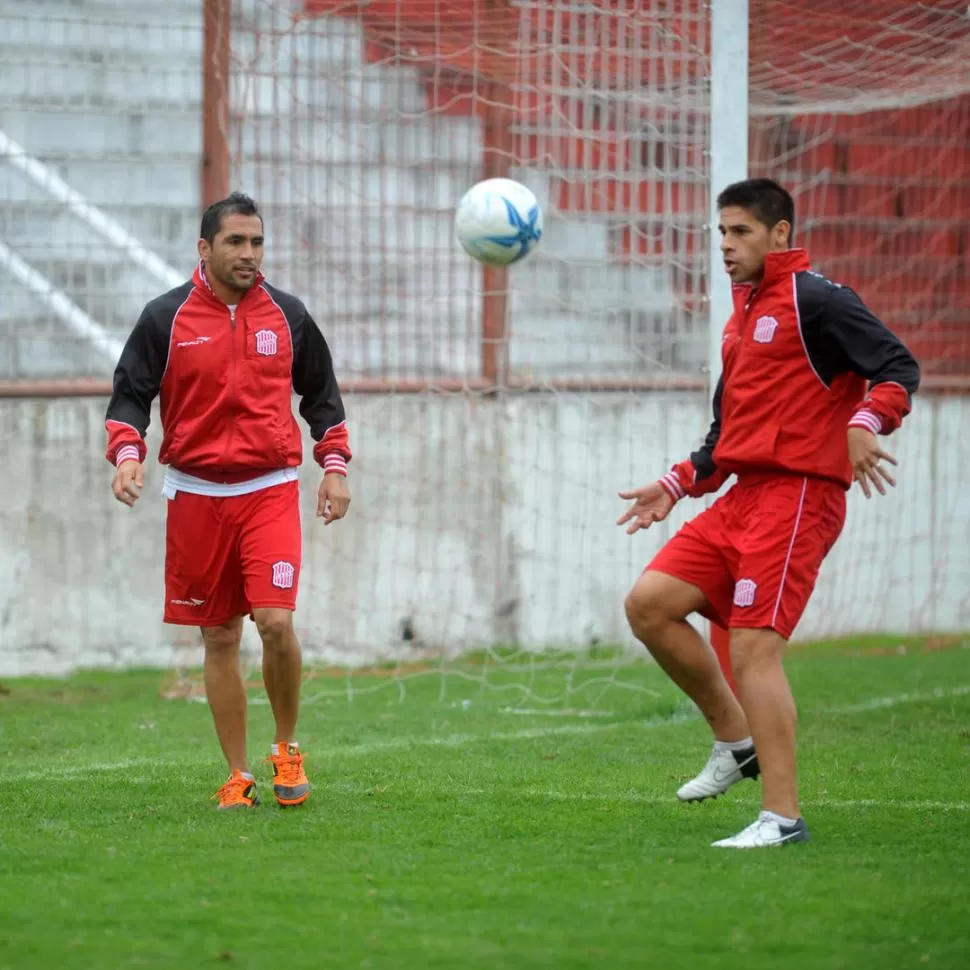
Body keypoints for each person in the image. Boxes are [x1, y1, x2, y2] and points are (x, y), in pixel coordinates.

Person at [617, 178, 920, 848]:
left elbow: (897, 366)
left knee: (754, 648)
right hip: (742, 497)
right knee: (650, 605)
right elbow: (731, 428)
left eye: (741, 232)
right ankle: (735, 740)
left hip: (800, 496)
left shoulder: (818, 299)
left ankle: (781, 819)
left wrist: (867, 419)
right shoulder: (741, 314)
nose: (726, 245)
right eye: (721, 232)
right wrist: (676, 481)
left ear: (780, 234)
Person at [105, 192, 352, 810]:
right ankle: (237, 774)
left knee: (274, 622)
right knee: (218, 636)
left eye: (257, 242)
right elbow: (130, 395)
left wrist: (334, 467)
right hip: (195, 497)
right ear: (205, 248)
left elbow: (322, 398)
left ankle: (287, 749)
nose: (249, 254)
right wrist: (128, 454)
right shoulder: (165, 318)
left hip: (269, 490)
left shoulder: (289, 316)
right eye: (236, 242)